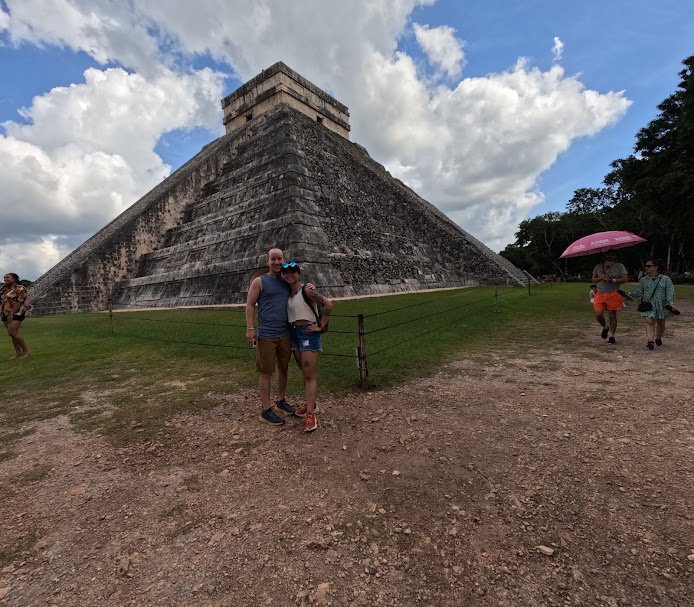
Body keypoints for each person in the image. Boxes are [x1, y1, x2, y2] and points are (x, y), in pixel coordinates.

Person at [245, 248, 297, 425]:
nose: (276, 262)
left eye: (280, 259)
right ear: (267, 261)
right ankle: (266, 409)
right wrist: (250, 328)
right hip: (267, 333)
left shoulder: (286, 281)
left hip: (285, 332)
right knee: (266, 372)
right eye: (273, 259)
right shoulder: (260, 281)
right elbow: (250, 305)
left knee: (283, 368)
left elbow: (298, 293)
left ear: (284, 260)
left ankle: (281, 401)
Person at [281, 262, 332, 433]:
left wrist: (321, 325)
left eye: (293, 272)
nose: (289, 275)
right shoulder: (288, 293)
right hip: (294, 333)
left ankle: (311, 414)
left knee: (309, 375)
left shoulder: (308, 290)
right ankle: (311, 404)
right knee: (304, 372)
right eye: (286, 272)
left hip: (308, 332)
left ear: (299, 274)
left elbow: (328, 304)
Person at [629, 259, 678, 350]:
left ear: (656, 267)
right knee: (650, 321)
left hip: (662, 304)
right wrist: (629, 294)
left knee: (661, 322)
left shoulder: (665, 279)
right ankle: (650, 341)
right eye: (646, 266)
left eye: (649, 266)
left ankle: (658, 338)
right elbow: (639, 292)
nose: (646, 267)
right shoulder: (643, 280)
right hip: (648, 304)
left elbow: (670, 291)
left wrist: (671, 303)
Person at [591, 250, 628, 344]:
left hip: (613, 293)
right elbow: (593, 279)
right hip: (600, 293)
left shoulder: (620, 266)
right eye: (608, 256)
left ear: (615, 257)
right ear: (605, 256)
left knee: (612, 315)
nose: (610, 257)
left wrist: (614, 280)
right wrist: (601, 277)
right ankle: (605, 327)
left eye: (612, 256)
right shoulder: (598, 266)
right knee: (598, 315)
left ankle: (612, 336)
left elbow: (625, 279)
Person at [1, 273, 30, 359]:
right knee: (12, 334)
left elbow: (19, 301)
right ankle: (18, 352)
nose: (5, 279)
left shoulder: (20, 288)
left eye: (7, 277)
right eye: (4, 278)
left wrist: (12, 313)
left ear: (14, 279)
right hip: (5, 313)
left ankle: (26, 351)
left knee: (12, 332)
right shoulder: (4, 289)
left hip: (17, 312)